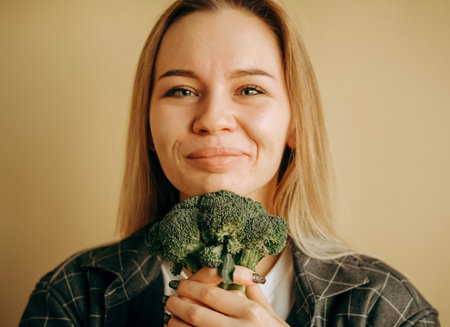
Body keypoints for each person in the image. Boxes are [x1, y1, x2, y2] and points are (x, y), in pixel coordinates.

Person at [20, 0, 440, 326]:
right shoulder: (73, 297)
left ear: (296, 123)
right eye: (181, 90)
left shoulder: (384, 307)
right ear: (149, 127)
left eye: (250, 89)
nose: (212, 119)